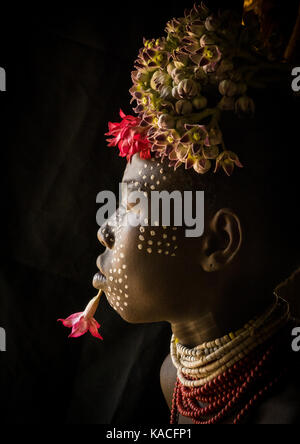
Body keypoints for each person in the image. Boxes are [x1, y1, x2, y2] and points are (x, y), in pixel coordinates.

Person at [62, 2, 300, 424]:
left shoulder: (286, 410)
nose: (106, 231)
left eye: (133, 203)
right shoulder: (174, 380)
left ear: (218, 242)